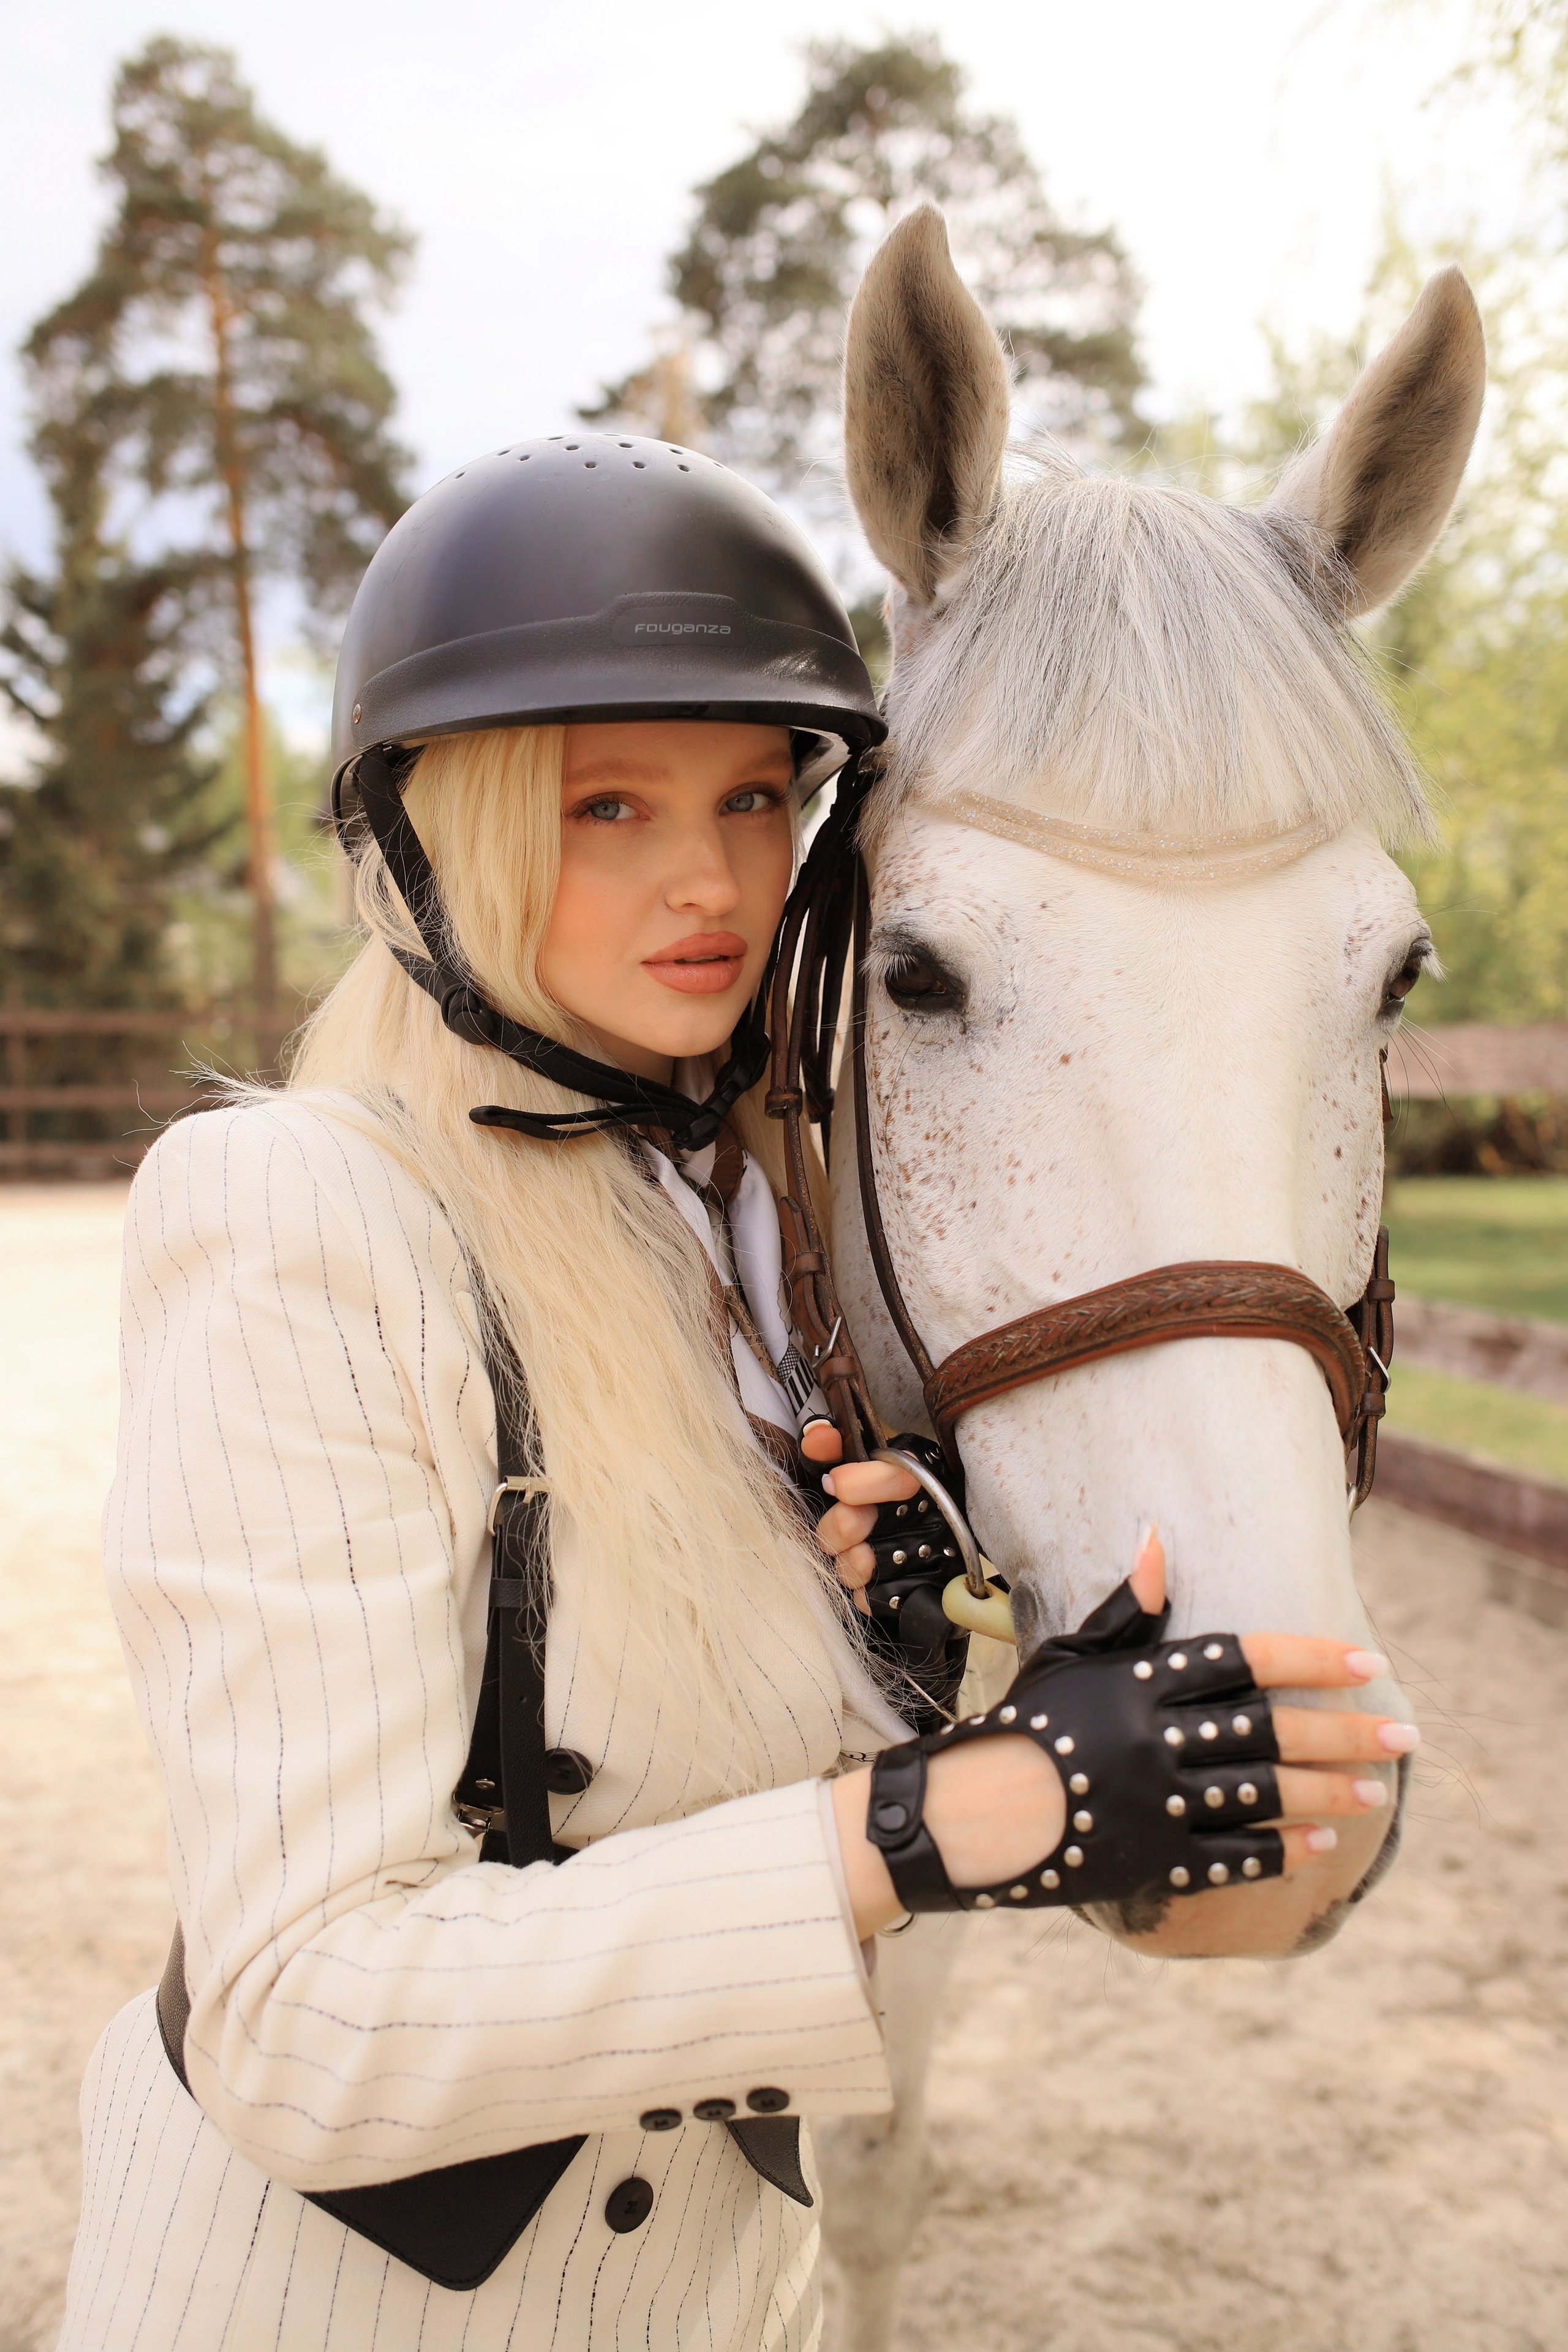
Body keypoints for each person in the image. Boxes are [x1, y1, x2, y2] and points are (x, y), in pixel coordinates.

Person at [57, 435, 1408, 2351]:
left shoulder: (764, 1238)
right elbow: (301, 2028)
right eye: (606, 804)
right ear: (446, 836)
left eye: (757, 797)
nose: (706, 878)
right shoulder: (293, 1211)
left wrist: (878, 1664)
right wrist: (939, 1819)